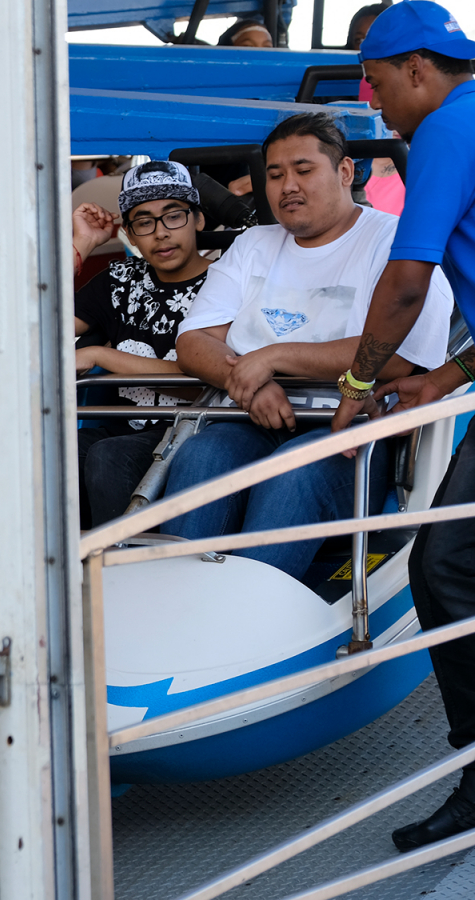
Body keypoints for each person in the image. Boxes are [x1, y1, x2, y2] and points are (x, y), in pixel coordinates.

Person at [163, 111, 453, 580]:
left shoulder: (394, 240)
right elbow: (194, 342)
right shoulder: (254, 244)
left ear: (344, 172)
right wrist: (253, 385)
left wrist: (274, 357)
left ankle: (252, 610)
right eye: (275, 175)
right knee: (201, 456)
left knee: (292, 471)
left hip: (346, 431)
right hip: (247, 419)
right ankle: (177, 592)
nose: (287, 186)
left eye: (303, 169)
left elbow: (401, 357)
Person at [323, 0, 475, 852]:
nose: (377, 107)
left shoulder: (450, 130)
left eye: (377, 87)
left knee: (446, 564)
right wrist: (449, 376)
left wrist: (358, 380)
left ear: (417, 69)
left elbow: (408, 281)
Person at [72, 161, 212, 526]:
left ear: (198, 219)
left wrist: (100, 354)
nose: (161, 233)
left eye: (174, 216)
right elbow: (37, 327)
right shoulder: (120, 279)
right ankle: (64, 568)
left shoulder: (224, 283)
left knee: (107, 456)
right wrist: (82, 243)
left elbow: (200, 386)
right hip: (119, 428)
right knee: (54, 451)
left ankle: (121, 570)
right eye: (144, 222)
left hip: (197, 434)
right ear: (131, 235)